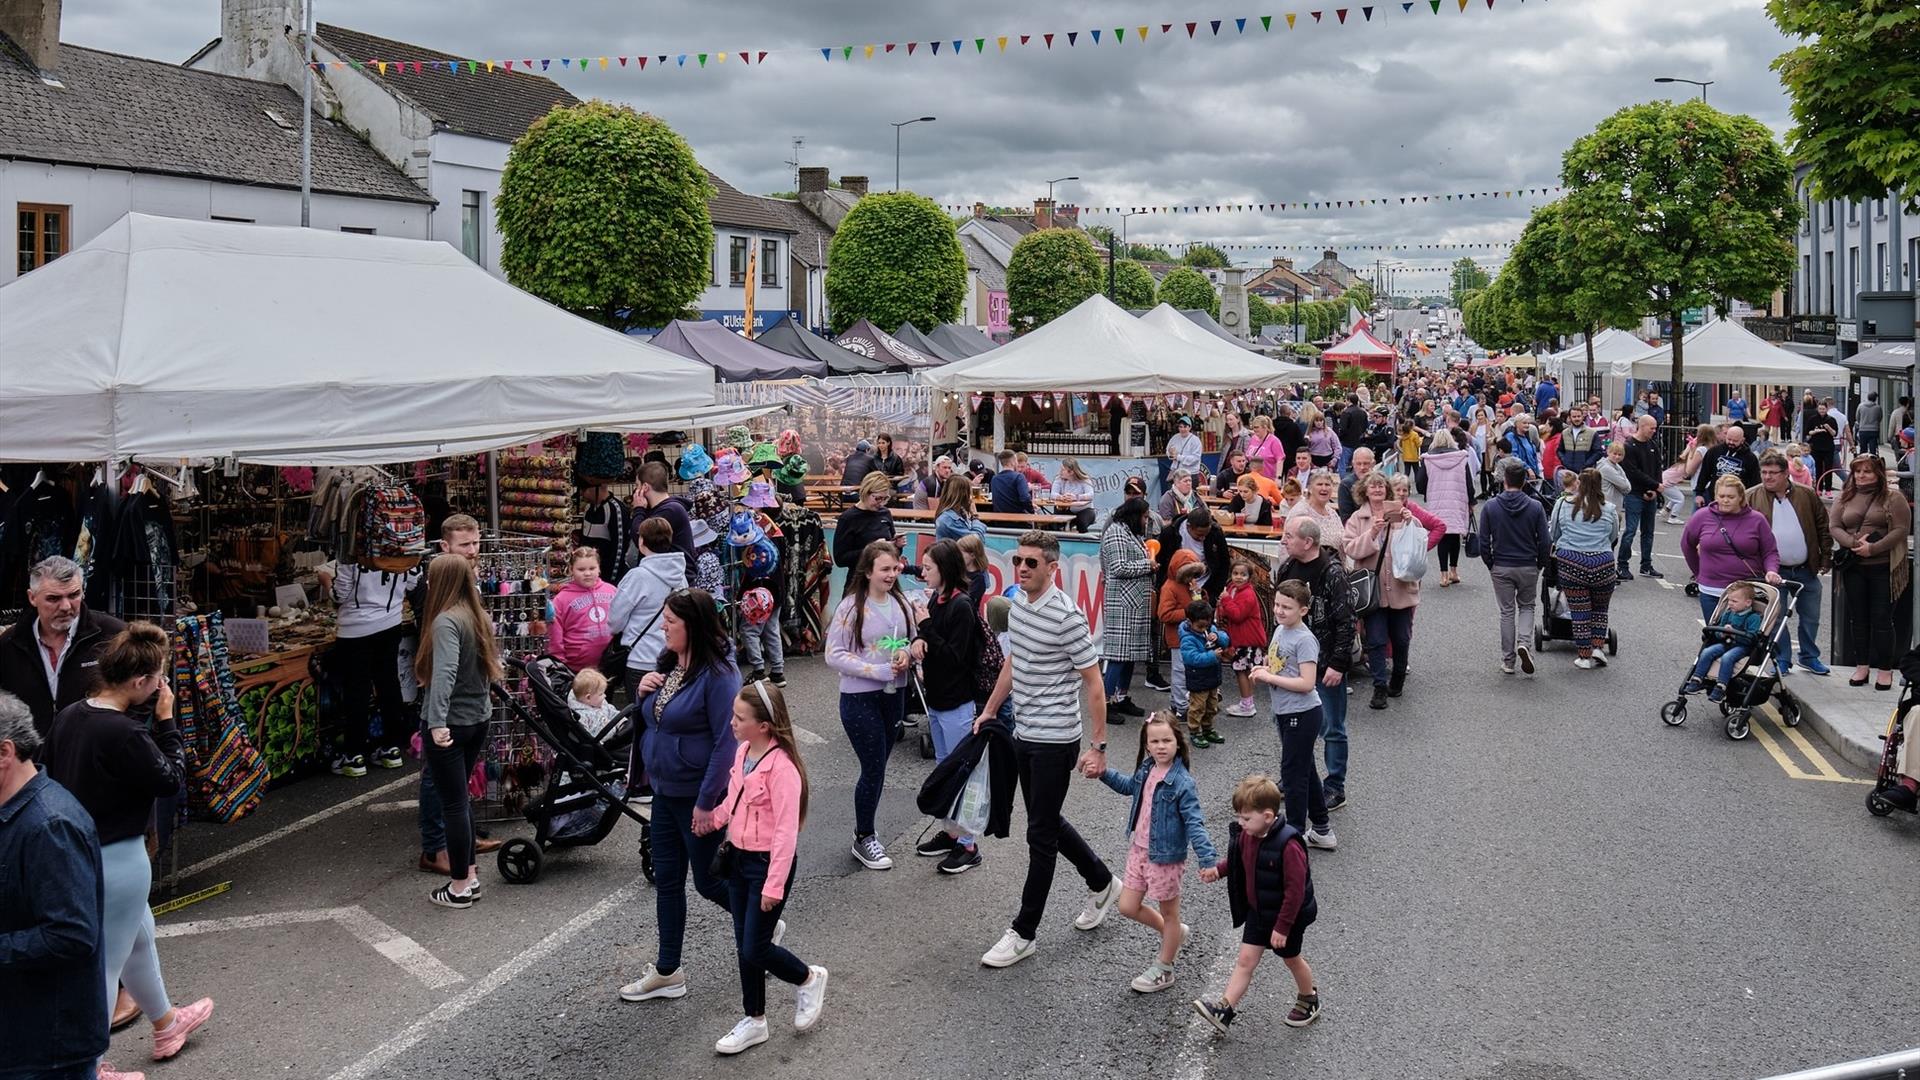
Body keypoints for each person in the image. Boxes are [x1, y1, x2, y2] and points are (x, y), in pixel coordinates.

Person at [43, 624, 214, 1062]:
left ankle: (166, 1023)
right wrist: (167, 721)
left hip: (80, 852)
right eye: (158, 678)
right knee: (106, 964)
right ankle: (91, 1065)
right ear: (140, 682)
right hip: (119, 858)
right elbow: (170, 779)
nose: (161, 685)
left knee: (139, 940)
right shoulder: (124, 733)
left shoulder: (71, 715)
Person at [976, 531, 1118, 969]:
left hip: (1057, 739)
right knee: (1046, 818)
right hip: (1024, 732)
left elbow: (1094, 683)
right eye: (1019, 560)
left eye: (1031, 563)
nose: (1022, 568)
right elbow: (1014, 662)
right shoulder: (1017, 603)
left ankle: (1024, 932)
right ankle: (1101, 880)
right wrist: (991, 709)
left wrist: (1098, 746)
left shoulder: (1068, 617)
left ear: (1052, 568)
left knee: (1039, 834)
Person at [0, 691, 141, 1080]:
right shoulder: (15, 813)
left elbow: (71, 935)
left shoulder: (49, 827)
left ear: (5, 753)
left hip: (48, 1047)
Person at [619, 589, 743, 1003]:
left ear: (694, 625)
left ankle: (760, 920)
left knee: (709, 883)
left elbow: (727, 744)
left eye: (671, 621)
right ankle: (668, 971)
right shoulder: (670, 663)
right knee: (668, 882)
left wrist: (707, 802)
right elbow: (653, 722)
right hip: (663, 792)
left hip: (695, 795)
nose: (663, 627)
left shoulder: (720, 674)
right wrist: (642, 696)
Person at [707, 680, 828, 1055]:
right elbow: (735, 797)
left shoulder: (783, 769)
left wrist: (773, 886)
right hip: (740, 859)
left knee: (755, 948)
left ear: (764, 725)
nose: (732, 723)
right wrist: (713, 820)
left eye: (740, 718)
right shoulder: (744, 751)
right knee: (745, 947)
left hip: (766, 867)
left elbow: (785, 835)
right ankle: (754, 1020)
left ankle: (807, 978)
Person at [1089, 714, 1218, 995]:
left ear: (1177, 742)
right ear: (1147, 746)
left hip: (1166, 858)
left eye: (1167, 740)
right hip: (1138, 850)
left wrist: (1208, 860)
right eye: (1155, 741)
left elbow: (1195, 822)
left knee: (1170, 913)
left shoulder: (1183, 782)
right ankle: (1174, 934)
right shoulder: (1147, 769)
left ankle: (1165, 967)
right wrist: (1103, 774)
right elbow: (1129, 787)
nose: (1161, 746)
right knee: (1127, 907)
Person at [409, 515, 503, 876]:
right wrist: (436, 721)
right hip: (447, 706)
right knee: (440, 780)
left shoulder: (466, 588)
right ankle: (438, 848)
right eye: (465, 545)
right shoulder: (435, 593)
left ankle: (460, 844)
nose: (473, 551)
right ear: (445, 547)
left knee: (455, 784)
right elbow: (441, 664)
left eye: (476, 543)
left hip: (467, 702)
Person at [826, 540, 913, 871]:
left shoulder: (901, 603)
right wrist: (876, 670)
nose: (892, 575)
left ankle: (865, 832)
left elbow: (913, 640)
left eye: (895, 568)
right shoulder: (851, 608)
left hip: (895, 695)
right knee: (874, 766)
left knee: (879, 766)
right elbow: (833, 654)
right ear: (867, 572)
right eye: (885, 569)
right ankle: (864, 836)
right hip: (859, 697)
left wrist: (907, 652)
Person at [909, 540, 987, 874]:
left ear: (945, 568)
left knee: (962, 773)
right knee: (944, 769)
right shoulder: (935, 599)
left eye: (928, 567)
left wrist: (926, 627)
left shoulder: (961, 606)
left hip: (957, 701)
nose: (923, 572)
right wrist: (917, 641)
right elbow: (930, 641)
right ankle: (951, 831)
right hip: (937, 699)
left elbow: (956, 657)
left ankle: (968, 844)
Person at [1341, 473, 1445, 709]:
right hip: (1374, 591)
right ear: (1364, 491)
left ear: (1386, 489)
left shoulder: (1399, 511)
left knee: (1401, 638)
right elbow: (1350, 549)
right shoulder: (1358, 518)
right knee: (1376, 640)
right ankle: (1379, 687)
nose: (1377, 489)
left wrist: (1411, 522)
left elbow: (1419, 540)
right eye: (1372, 486)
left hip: (1401, 587)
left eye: (1380, 485)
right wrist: (1372, 534)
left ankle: (1397, 677)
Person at [1272, 519, 1355, 811]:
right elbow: (1279, 615)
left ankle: (1334, 787)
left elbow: (1346, 621)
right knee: (1289, 723)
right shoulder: (1286, 568)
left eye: (1289, 536)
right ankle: (1296, 773)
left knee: (1332, 726)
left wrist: (1338, 664)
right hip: (1291, 665)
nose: (1283, 540)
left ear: (1307, 542)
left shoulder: (1332, 573)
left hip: (1324, 664)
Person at [0, 556, 126, 736]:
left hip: (96, 758)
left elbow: (148, 692)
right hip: (32, 759)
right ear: (32, 597)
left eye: (74, 595)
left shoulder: (114, 635)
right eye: (53, 598)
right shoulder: (10, 644)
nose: (66, 606)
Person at [1746, 450, 1832, 677]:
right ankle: (1782, 659)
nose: (1767, 477)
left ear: (1786, 474)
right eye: (1764, 472)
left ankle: (1809, 657)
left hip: (1805, 569)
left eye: (1773, 473)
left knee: (1811, 616)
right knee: (1776, 617)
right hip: (1772, 571)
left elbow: (1823, 525)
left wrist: (1825, 557)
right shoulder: (1752, 496)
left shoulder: (1806, 495)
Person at [1829, 455, 1910, 691]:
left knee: (1882, 620)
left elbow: (1901, 530)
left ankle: (1885, 670)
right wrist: (1854, 545)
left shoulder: (1894, 498)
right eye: (1858, 472)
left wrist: (1873, 548)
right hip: (1854, 566)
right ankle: (1861, 666)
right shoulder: (1845, 496)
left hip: (1884, 567)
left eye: (1868, 471)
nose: (1862, 476)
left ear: (1879, 474)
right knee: (1858, 620)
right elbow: (1834, 526)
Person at [1478, 461, 1552, 676]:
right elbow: (1544, 541)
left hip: (1501, 564)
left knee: (1507, 612)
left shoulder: (1491, 506)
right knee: (1527, 606)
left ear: (1505, 480)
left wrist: (1490, 562)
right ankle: (1524, 643)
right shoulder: (1535, 507)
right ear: (1524, 481)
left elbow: (1484, 540)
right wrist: (1540, 563)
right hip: (1528, 563)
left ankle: (1508, 660)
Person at [1681, 475, 1782, 624]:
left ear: (1741, 497)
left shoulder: (1757, 520)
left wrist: (1772, 570)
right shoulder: (1702, 516)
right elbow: (1687, 545)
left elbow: (1769, 551)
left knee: (1745, 638)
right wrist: (1698, 572)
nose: (1725, 500)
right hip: (1711, 589)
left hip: (1746, 590)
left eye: (1731, 496)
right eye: (1721, 496)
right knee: (1716, 635)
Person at [1549, 470, 1623, 669]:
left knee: (1580, 610)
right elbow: (1613, 536)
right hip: (1602, 563)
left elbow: (1554, 533)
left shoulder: (1564, 505)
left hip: (1572, 562)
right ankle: (1598, 647)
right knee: (1600, 608)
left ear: (1579, 484)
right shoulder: (1609, 509)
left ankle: (1584, 656)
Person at [609, 518, 690, 697]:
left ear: (641, 541)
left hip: (640, 658)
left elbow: (614, 621)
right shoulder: (680, 577)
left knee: (639, 715)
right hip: (673, 658)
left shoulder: (637, 577)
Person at [1100, 498, 1158, 720]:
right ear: (1134, 515)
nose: (1146, 521)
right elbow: (1118, 567)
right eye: (1144, 517)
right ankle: (1105, 703)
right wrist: (1148, 565)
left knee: (1130, 655)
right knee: (1118, 656)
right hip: (1122, 603)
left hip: (1134, 602)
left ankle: (1121, 697)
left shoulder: (1131, 532)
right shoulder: (1116, 532)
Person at [1683, 582, 1765, 701]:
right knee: (1707, 652)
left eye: (1734, 601)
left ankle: (1721, 687)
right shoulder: (1728, 613)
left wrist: (1734, 634)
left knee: (1727, 657)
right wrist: (1722, 633)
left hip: (1742, 646)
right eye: (1730, 600)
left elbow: (1751, 638)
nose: (1730, 603)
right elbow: (1718, 632)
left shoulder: (1754, 618)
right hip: (1726, 642)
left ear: (1748, 602)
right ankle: (1697, 679)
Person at [548, 547, 618, 677]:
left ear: (599, 568)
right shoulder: (561, 599)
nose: (587, 573)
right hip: (575, 668)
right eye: (581, 569)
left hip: (608, 665)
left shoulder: (612, 591)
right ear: (571, 570)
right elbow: (555, 634)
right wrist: (559, 662)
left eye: (592, 568)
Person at [1158, 552, 1205, 729]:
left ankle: (1175, 703)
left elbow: (1200, 607)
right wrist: (1189, 612)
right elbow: (1164, 614)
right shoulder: (1170, 587)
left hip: (1191, 637)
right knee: (1180, 672)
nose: (1192, 578)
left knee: (1185, 671)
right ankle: (1181, 707)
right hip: (1177, 637)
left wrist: (1198, 595)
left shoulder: (1191, 586)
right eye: (1189, 574)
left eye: (1195, 574)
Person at [1421, 430, 1474, 587]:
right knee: (1454, 535)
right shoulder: (1461, 457)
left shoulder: (1429, 460)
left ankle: (1443, 574)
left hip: (1437, 500)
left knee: (1441, 536)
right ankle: (1454, 571)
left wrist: (1427, 492)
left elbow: (1420, 481)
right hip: (1457, 500)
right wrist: (1471, 501)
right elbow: (1469, 482)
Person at [1617, 416, 1666, 580]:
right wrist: (1653, 485)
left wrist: (1655, 489)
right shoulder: (1629, 446)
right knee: (1630, 531)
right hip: (1634, 494)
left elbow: (1658, 468)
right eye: (1651, 428)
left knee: (1648, 531)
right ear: (1642, 426)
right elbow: (1632, 472)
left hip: (1650, 493)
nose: (1654, 431)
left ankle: (1646, 565)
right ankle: (1622, 565)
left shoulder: (1653, 445)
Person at [1217, 560, 1266, 718]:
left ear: (1249, 577)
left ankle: (1247, 705)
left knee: (1242, 672)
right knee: (1244, 671)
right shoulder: (1233, 589)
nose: (1238, 577)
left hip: (1247, 640)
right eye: (1235, 573)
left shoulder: (1247, 594)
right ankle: (1247, 702)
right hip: (1242, 639)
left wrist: (1225, 601)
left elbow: (1237, 615)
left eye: (1243, 574)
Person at [833, 473, 899, 587]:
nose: (881, 503)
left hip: (884, 583)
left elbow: (892, 553)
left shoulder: (885, 513)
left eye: (885, 498)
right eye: (878, 498)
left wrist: (897, 545)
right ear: (865, 492)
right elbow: (840, 559)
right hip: (858, 583)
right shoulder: (848, 518)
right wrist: (871, 549)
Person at [631, 460, 698, 574]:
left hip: (674, 582)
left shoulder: (670, 510)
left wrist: (638, 510)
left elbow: (641, 539)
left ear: (645, 487)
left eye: (637, 485)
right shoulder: (659, 509)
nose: (636, 491)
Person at [1158, 505, 1233, 606]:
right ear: (1188, 526)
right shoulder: (1170, 533)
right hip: (1177, 586)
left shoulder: (1215, 532)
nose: (1203, 538)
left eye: (1205, 535)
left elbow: (1224, 562)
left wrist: (1215, 592)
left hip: (1206, 587)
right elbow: (1161, 562)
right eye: (1199, 535)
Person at [1178, 600, 1228, 747]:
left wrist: (1217, 636)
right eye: (1200, 626)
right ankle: (1194, 731)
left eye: (1206, 625)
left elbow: (1226, 639)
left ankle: (1207, 728)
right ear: (1190, 621)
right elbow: (1192, 658)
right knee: (1197, 707)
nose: (1204, 629)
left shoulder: (1210, 628)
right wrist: (1212, 656)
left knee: (1212, 705)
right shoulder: (1187, 639)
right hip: (1198, 678)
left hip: (1212, 676)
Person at [1695, 423, 1761, 507]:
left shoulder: (1750, 458)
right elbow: (1704, 473)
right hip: (1714, 498)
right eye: (1729, 439)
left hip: (1738, 502)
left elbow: (1755, 482)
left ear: (1742, 440)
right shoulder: (1714, 451)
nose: (1731, 442)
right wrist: (1699, 493)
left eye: (1735, 441)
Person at [1286, 470, 1344, 546]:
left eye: (1327, 485)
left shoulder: (1333, 514)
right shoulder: (1300, 512)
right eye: (1319, 484)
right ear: (1310, 489)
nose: (1324, 488)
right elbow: (1288, 544)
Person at [568, 668, 620, 737]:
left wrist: (622, 723)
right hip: (602, 743)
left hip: (617, 733)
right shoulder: (581, 717)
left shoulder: (601, 703)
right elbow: (582, 737)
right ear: (588, 698)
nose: (605, 696)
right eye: (601, 694)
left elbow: (613, 713)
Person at [932, 475, 986, 541]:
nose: (971, 498)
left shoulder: (959, 513)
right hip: (954, 551)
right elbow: (977, 540)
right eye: (969, 493)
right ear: (963, 495)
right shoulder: (948, 520)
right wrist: (975, 516)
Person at [1054, 458, 1097, 533]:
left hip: (1084, 510)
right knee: (1055, 518)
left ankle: (1084, 539)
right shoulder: (1059, 479)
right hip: (1067, 509)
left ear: (1071, 472)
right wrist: (1061, 497)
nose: (1060, 472)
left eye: (1063, 470)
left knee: (1081, 522)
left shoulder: (1084, 480)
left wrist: (1076, 497)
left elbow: (1091, 495)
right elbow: (1053, 494)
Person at [1804, 406, 1840, 492]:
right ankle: (1819, 488)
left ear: (1826, 409)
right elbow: (1808, 431)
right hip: (1816, 447)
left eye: (1823, 409)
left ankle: (1828, 489)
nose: (1821, 411)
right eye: (1820, 409)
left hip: (1828, 447)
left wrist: (1828, 428)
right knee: (1818, 468)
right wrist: (1815, 431)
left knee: (1828, 469)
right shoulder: (1813, 419)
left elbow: (1834, 434)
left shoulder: (1831, 419)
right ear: (1817, 409)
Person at [989, 450, 1036, 514]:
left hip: (999, 518)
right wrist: (1032, 511)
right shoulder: (1019, 477)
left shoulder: (994, 479)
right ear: (1012, 462)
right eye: (1016, 460)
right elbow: (1025, 499)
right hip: (1019, 519)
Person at [1246, 415, 1285, 479]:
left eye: (1257, 427)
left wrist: (1278, 477)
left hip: (1268, 478)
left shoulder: (1274, 441)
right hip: (1252, 478)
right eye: (1253, 428)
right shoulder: (1252, 439)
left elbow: (1280, 459)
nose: (1254, 430)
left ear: (1265, 427)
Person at [1856, 392, 1883, 459]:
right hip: (1874, 430)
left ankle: (1862, 461)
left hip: (1863, 430)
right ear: (1875, 398)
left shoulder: (1860, 406)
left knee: (1863, 448)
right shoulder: (1878, 407)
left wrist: (1862, 423)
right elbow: (1879, 418)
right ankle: (1872, 462)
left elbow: (1857, 417)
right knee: (1873, 449)